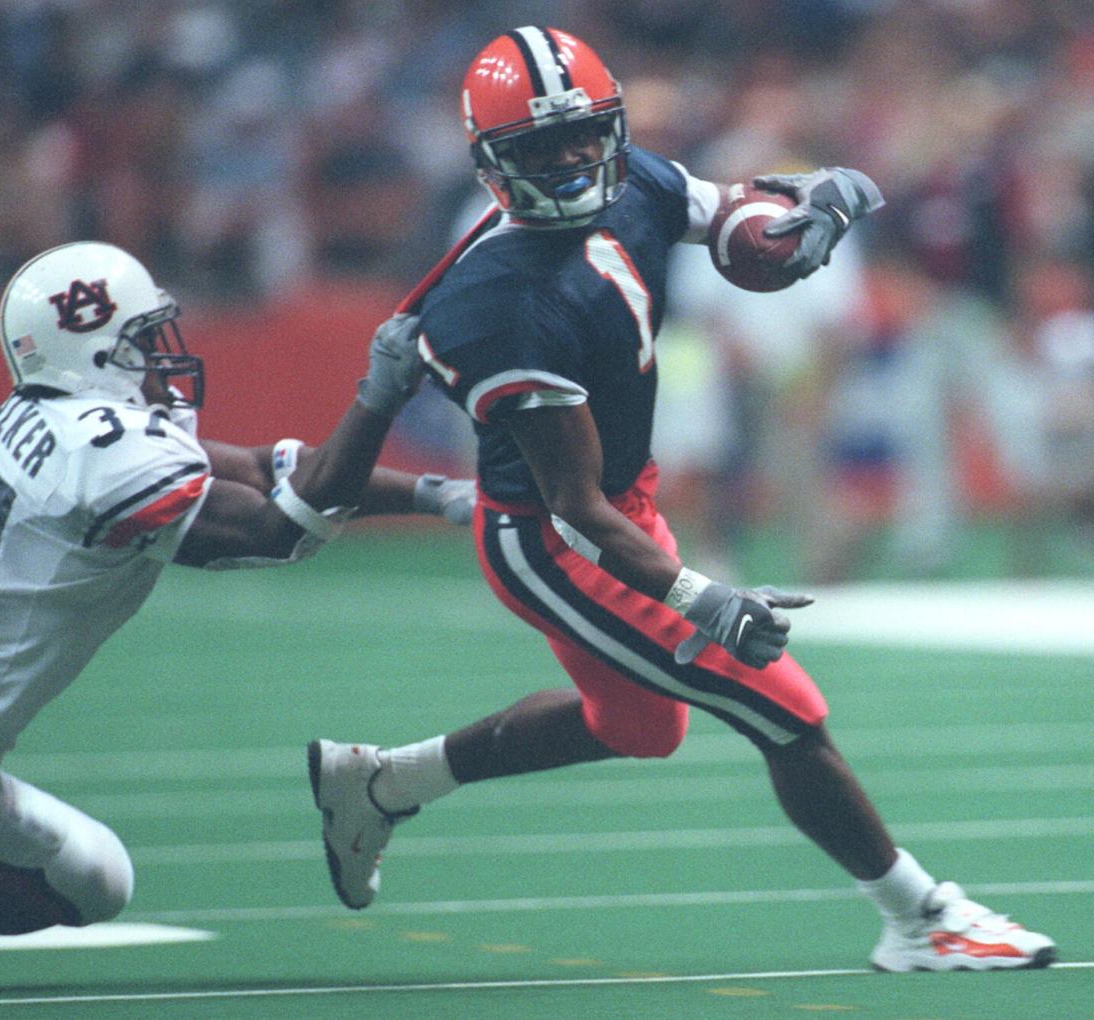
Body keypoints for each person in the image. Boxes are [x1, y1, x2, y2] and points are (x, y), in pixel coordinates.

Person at [308, 26, 1055, 973]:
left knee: (639, 728)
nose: (577, 158)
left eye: (586, 133)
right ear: (496, 160)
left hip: (621, 501)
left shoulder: (635, 181)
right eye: (545, 145)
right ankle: (923, 916)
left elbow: (731, 222)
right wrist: (702, 596)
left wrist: (803, 216)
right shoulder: (495, 302)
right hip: (556, 540)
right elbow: (576, 505)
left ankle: (380, 783)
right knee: (783, 708)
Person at [0, 240, 469, 937]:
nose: (161, 351)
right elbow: (280, 529)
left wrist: (441, 496)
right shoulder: (103, 462)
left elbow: (264, 471)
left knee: (99, 875)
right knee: (82, 889)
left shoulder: (46, 418)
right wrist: (379, 397)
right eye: (140, 337)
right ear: (95, 350)